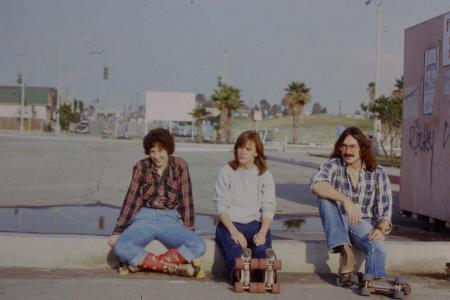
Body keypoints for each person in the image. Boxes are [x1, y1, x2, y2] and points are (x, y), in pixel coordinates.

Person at [107, 128, 205, 274]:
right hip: (144, 218)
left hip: (170, 219)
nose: (157, 156)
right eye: (152, 151)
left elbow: (186, 200)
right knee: (121, 247)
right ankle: (170, 268)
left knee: (198, 246)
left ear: (168, 149)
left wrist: (189, 230)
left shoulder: (179, 165)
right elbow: (131, 199)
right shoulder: (141, 167)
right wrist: (118, 231)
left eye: (160, 151)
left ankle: (144, 264)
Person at [310, 126, 392, 279]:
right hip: (336, 219)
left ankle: (375, 281)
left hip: (361, 223)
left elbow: (385, 212)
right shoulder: (333, 165)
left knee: (378, 246)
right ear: (339, 148)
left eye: (352, 146)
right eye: (344, 146)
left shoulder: (378, 173)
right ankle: (345, 250)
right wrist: (345, 201)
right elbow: (316, 184)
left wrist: (380, 229)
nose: (347, 151)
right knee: (324, 197)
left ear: (362, 148)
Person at [213, 130, 277, 284]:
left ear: (256, 153)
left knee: (261, 247)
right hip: (230, 224)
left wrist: (262, 232)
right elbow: (221, 205)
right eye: (240, 147)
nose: (242, 152)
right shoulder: (227, 171)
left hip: (255, 224)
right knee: (235, 250)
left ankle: (265, 271)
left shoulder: (264, 174)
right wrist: (234, 231)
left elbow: (268, 207)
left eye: (248, 149)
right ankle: (240, 273)